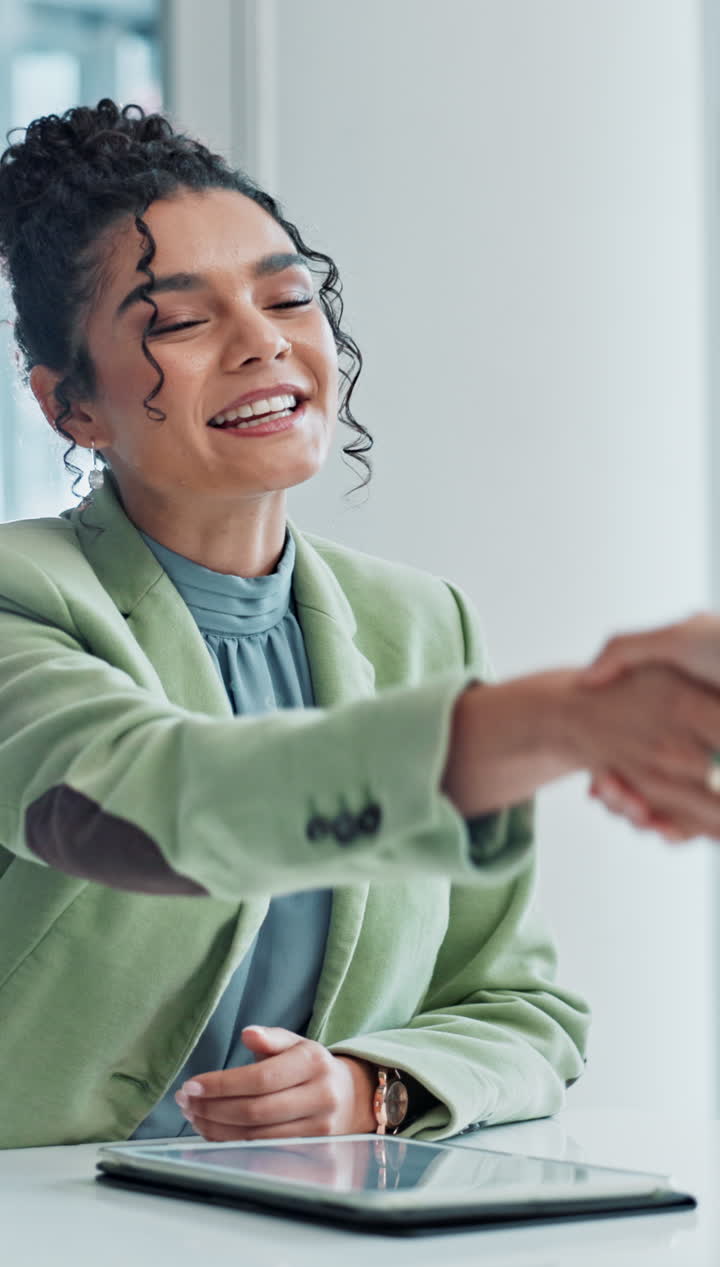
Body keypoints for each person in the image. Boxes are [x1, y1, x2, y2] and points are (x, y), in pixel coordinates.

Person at [0, 101, 718, 1151]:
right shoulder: (20, 598)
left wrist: (372, 1087)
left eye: (290, 296)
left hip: (302, 1239)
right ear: (70, 405)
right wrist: (561, 719)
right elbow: (156, 801)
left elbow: (521, 1009)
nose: (263, 342)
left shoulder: (421, 623)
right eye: (182, 321)